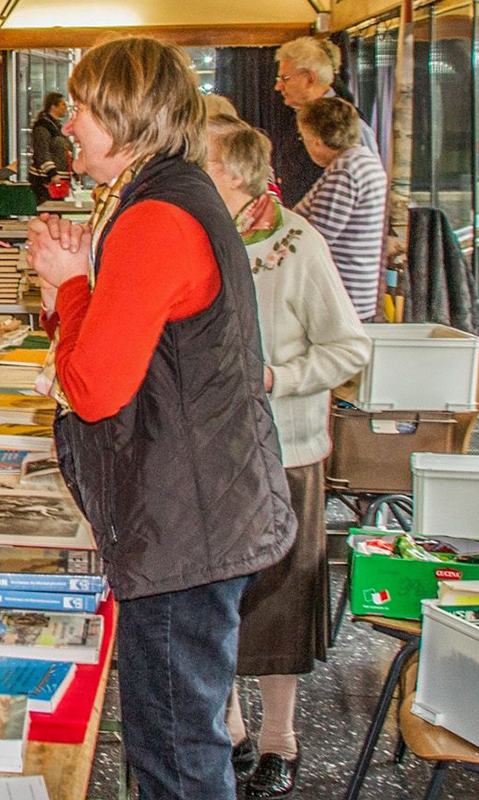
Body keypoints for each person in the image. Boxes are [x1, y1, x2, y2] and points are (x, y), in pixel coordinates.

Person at [27, 37, 296, 800]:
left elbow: (94, 388)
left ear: (126, 113)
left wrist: (72, 284)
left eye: (81, 107)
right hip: (193, 512)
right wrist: (68, 295)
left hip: (186, 525)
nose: (68, 122)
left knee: (176, 752)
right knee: (177, 736)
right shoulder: (165, 195)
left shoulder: (156, 216)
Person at [205, 117, 369, 798]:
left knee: (281, 595)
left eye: (202, 161)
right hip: (213, 447)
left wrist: (279, 377)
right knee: (218, 597)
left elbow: (350, 348)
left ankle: (281, 735)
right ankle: (232, 725)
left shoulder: (299, 245)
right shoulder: (200, 237)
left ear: (237, 175)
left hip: (287, 450)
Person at [293, 97, 388, 320]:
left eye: (303, 137)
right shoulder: (364, 160)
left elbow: (316, 236)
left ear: (316, 140)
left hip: (344, 295)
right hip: (356, 293)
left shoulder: (344, 172)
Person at [273, 37, 378, 203]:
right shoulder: (301, 117)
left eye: (285, 79)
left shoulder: (348, 122)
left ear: (310, 79)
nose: (278, 87)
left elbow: (370, 187)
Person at [28, 92, 72, 205]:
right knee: (49, 211)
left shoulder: (55, 126)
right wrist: (52, 173)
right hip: (45, 180)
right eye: (62, 104)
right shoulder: (43, 126)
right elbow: (42, 151)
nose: (65, 108)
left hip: (57, 179)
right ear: (53, 106)